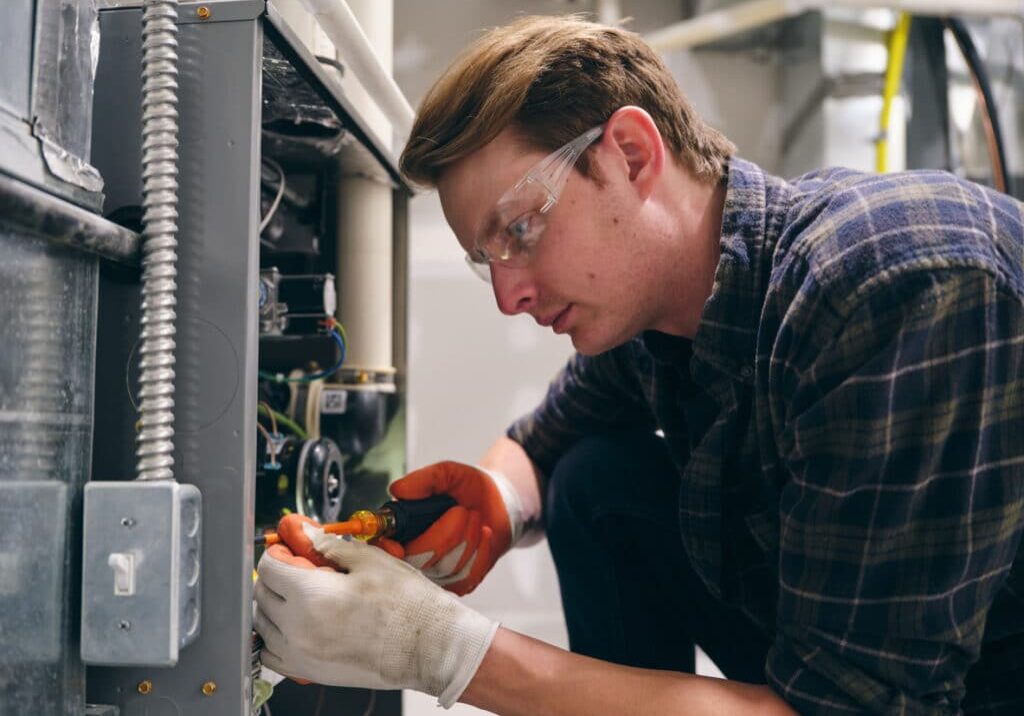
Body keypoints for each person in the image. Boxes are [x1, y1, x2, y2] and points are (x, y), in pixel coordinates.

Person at [254, 14, 1024, 715]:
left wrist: (437, 648)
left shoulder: (892, 288)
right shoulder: (662, 315)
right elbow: (542, 447)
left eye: (519, 229)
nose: (509, 295)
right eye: (485, 260)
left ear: (630, 152)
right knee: (595, 480)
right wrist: (495, 500)